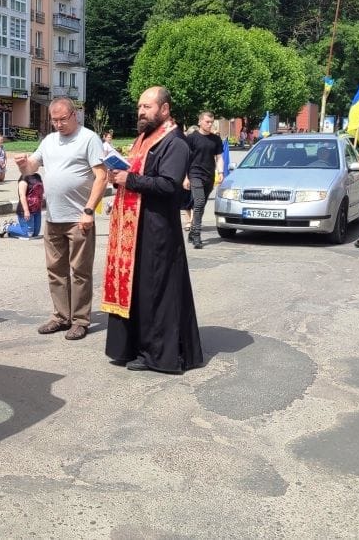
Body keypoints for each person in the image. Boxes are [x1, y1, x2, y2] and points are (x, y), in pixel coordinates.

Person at [102, 86, 204, 374]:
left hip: (158, 230)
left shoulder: (175, 143)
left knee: (155, 291)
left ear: (165, 109)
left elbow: (169, 185)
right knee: (137, 289)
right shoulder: (143, 139)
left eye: (147, 107)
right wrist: (118, 176)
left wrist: (129, 179)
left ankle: (157, 354)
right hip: (134, 228)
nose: (141, 112)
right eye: (139, 107)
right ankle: (131, 346)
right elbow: (136, 176)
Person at [15, 98, 107, 341]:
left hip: (79, 218)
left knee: (80, 271)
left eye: (62, 119)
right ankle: (61, 316)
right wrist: (25, 164)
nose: (58, 124)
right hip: (53, 217)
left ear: (74, 115)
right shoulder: (49, 141)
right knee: (55, 270)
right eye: (54, 120)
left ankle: (80, 320)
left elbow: (101, 176)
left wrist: (89, 210)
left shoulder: (88, 139)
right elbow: (32, 166)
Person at [183, 111, 224, 249]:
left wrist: (221, 172)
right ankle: (196, 235)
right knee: (199, 202)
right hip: (195, 174)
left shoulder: (215, 140)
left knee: (201, 205)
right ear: (200, 121)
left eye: (212, 122)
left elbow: (219, 158)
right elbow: (184, 159)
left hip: (209, 176)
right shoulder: (191, 138)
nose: (210, 124)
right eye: (207, 122)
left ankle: (193, 230)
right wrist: (185, 177)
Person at [0, 173, 44, 239]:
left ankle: (16, 227)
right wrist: (26, 211)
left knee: (35, 234)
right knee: (28, 234)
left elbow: (40, 193)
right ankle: (7, 227)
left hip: (36, 209)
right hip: (25, 210)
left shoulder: (38, 176)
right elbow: (22, 196)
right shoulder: (24, 178)